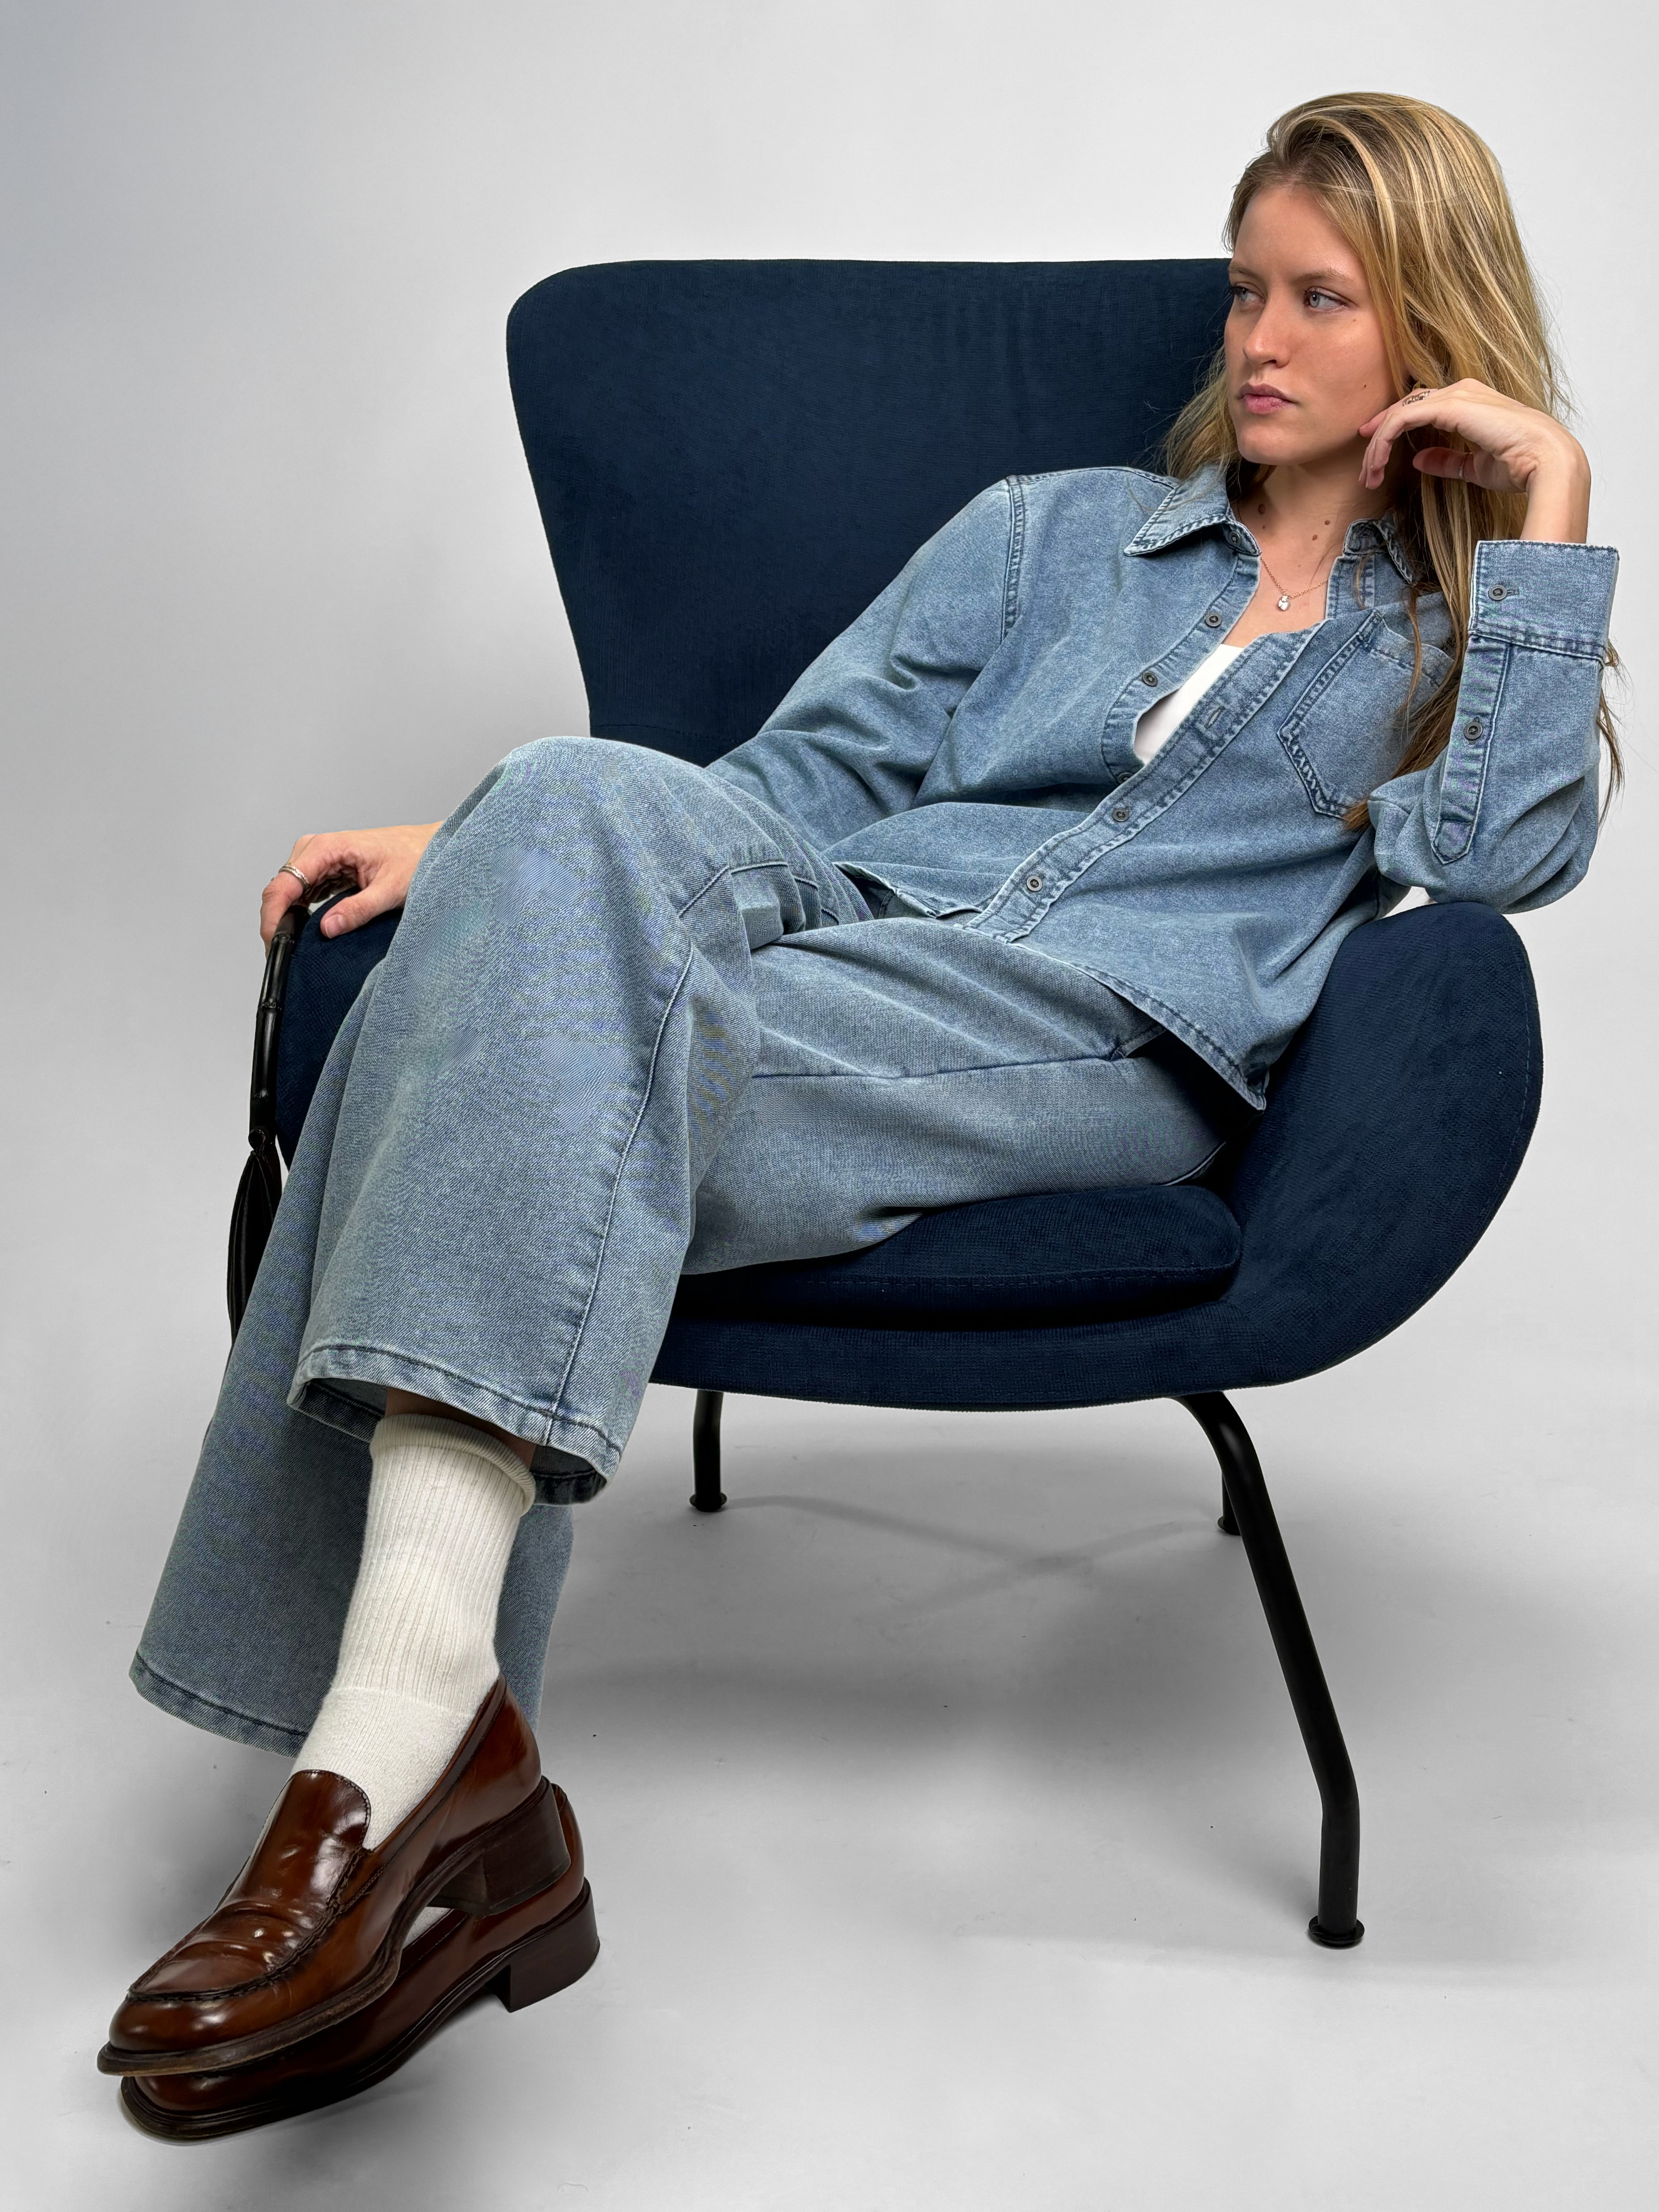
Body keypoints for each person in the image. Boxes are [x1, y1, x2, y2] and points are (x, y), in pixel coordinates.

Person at [107, 90, 1619, 2136]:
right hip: (841, 944)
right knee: (557, 796)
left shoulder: (1451, 643)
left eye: (1322, 299)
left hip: (1092, 1043)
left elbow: (1508, 861)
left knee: (475, 1052)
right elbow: (783, 791)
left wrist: (1549, 510)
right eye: (1246, 288)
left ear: (1432, 319)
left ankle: (381, 1767)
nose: (1259, 338)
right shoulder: (1052, 533)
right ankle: (438, 1773)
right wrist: (490, 852)